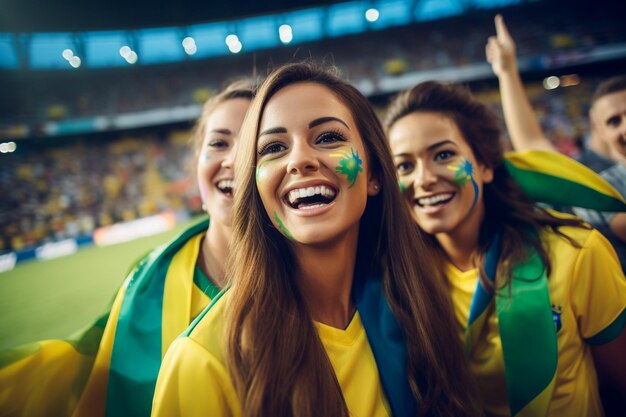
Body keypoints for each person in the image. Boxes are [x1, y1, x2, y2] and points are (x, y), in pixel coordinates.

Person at [152, 62, 481, 417]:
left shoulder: (415, 305)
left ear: (374, 173)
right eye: (273, 148)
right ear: (256, 188)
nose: (299, 160)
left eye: (327, 137)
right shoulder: (203, 359)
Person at [0, 81, 254, 417]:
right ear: (196, 165)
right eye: (219, 142)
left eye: (255, 142)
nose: (234, 159)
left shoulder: (328, 273)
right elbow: (77, 367)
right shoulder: (147, 282)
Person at [385, 80, 626, 416]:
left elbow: (619, 388)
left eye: (443, 154)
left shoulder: (577, 252)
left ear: (485, 165)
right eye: (405, 166)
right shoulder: (396, 284)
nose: (423, 178)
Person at [485, 14, 626, 270]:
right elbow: (532, 144)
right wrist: (506, 72)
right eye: (614, 121)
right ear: (600, 132)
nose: (625, 126)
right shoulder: (607, 188)